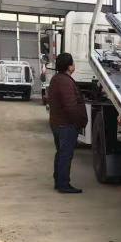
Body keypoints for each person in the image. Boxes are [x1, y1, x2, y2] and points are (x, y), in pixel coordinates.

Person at [48, 53, 88, 193]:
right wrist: (79, 122)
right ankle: (63, 184)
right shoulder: (65, 82)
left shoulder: (56, 79)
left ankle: (59, 181)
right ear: (69, 66)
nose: (74, 65)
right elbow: (70, 107)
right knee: (65, 155)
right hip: (66, 125)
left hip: (57, 123)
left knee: (61, 153)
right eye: (73, 63)